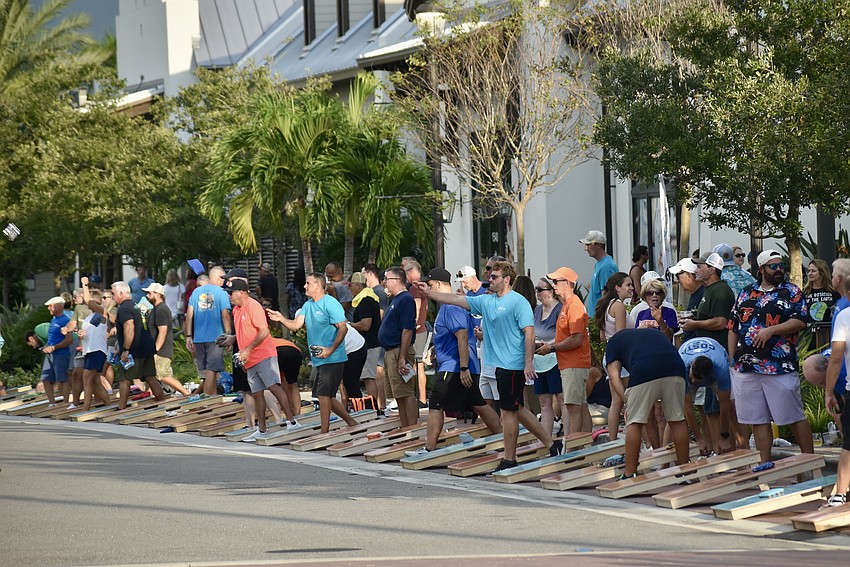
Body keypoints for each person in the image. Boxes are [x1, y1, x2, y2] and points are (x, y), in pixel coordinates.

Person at [418, 261, 560, 471]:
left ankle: (509, 459)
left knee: (508, 412)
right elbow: (457, 299)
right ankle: (552, 444)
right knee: (518, 409)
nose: (489, 280)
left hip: (512, 364)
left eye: (494, 277)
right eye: (490, 276)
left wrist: (528, 362)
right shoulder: (487, 301)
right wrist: (429, 293)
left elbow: (529, 332)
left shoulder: (518, 302)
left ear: (507, 279)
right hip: (497, 365)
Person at [728, 249, 814, 464]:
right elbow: (733, 326)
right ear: (761, 269)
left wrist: (771, 330)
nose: (779, 270)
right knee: (757, 419)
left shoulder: (791, 291)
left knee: (793, 416)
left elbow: (801, 320)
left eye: (781, 265)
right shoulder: (746, 293)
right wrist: (732, 359)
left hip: (779, 366)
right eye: (773, 266)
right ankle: (765, 465)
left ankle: (809, 463)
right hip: (746, 367)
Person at [405, 268, 502, 456]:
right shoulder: (448, 306)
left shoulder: (451, 307)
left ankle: (429, 449)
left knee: (435, 405)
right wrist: (435, 350)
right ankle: (503, 437)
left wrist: (464, 368)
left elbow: (462, 336)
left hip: (455, 366)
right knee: (478, 403)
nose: (428, 289)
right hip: (458, 364)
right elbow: (450, 336)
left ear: (438, 284)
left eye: (430, 285)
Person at [273, 273, 357, 433]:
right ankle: (351, 422)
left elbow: (343, 328)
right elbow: (296, 325)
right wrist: (281, 319)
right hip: (320, 358)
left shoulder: (330, 303)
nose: (305, 286)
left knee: (323, 395)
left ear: (318, 285)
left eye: (308, 283)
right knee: (327, 396)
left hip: (333, 358)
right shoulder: (308, 305)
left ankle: (324, 432)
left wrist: (330, 349)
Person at [222, 279, 303, 441]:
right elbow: (244, 332)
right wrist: (233, 340)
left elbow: (264, 331)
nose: (229, 296)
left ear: (242, 292)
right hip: (249, 359)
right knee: (257, 393)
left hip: (264, 354)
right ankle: (262, 430)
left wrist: (247, 350)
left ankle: (292, 422)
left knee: (274, 387)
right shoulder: (236, 310)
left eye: (231, 293)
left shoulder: (253, 306)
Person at [605, 328, 690, 478]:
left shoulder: (612, 343)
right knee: (677, 419)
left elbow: (614, 376)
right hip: (675, 365)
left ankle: (630, 473)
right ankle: (685, 471)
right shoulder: (651, 333)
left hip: (644, 367)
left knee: (635, 422)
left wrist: (627, 401)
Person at [539, 267, 592, 435]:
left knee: (573, 407)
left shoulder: (574, 305)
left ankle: (574, 446)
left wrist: (552, 347)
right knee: (580, 405)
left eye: (556, 281)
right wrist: (550, 346)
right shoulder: (568, 304)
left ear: (568, 283)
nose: (553, 285)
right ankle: (584, 443)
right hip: (572, 363)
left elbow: (576, 339)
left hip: (574, 363)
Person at [111, 281, 165, 409]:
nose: (112, 296)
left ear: (121, 293)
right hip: (147, 346)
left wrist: (126, 349)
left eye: (113, 293)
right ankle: (163, 403)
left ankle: (121, 409)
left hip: (134, 348)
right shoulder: (136, 305)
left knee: (124, 379)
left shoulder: (124, 308)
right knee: (150, 377)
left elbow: (129, 327)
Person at [377, 266, 419, 427]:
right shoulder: (395, 299)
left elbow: (407, 330)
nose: (384, 282)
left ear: (397, 280)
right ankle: (405, 426)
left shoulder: (406, 299)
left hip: (399, 350)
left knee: (406, 392)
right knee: (398, 393)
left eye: (387, 278)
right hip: (390, 351)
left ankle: (412, 428)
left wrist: (402, 357)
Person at [594, 272, 633, 440]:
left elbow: (603, 337)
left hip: (609, 354)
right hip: (621, 357)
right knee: (629, 400)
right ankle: (634, 438)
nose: (631, 288)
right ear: (617, 288)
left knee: (616, 402)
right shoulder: (619, 306)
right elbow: (621, 335)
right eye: (628, 285)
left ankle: (612, 440)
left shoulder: (606, 305)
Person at [679, 337, 733, 454]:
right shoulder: (681, 366)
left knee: (732, 406)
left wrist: (725, 436)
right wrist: (699, 439)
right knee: (678, 411)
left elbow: (725, 405)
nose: (694, 381)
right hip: (686, 365)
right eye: (693, 377)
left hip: (716, 352)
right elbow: (687, 407)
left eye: (698, 379)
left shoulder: (721, 368)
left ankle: (737, 446)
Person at [185, 267, 232, 396]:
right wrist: (228, 334)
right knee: (212, 370)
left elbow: (189, 315)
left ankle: (211, 397)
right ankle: (209, 399)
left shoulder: (196, 292)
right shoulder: (221, 292)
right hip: (215, 336)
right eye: (223, 279)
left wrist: (189, 336)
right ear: (218, 279)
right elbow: (225, 315)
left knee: (206, 372)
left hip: (199, 337)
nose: (224, 282)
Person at [825, 279, 850, 508]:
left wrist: (829, 391)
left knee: (849, 446)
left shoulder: (844, 316)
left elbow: (835, 358)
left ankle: (840, 494)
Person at [143, 282, 191, 397]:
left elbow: (163, 331)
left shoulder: (161, 310)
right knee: (151, 376)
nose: (147, 296)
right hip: (157, 349)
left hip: (161, 350)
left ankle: (186, 393)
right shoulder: (155, 309)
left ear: (157, 294)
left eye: (149, 293)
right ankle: (151, 395)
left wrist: (155, 350)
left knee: (163, 376)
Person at [532, 278, 563, 439]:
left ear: (551, 291)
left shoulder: (560, 309)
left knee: (561, 398)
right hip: (538, 360)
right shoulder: (537, 310)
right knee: (544, 402)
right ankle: (546, 440)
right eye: (536, 289)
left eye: (540, 289)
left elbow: (564, 335)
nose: (537, 292)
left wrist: (549, 345)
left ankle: (568, 438)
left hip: (555, 359)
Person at [347, 272, 382, 410]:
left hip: (370, 343)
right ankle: (373, 407)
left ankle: (372, 409)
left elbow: (365, 325)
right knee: (368, 376)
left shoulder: (365, 301)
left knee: (368, 377)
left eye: (350, 285)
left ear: (357, 285)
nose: (349, 289)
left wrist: (348, 325)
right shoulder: (367, 298)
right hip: (370, 343)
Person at [76, 280, 112, 411]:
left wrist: (84, 285)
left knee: (86, 378)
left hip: (97, 350)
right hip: (89, 350)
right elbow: (92, 331)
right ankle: (109, 405)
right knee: (96, 381)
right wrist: (81, 334)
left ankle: (85, 408)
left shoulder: (102, 312)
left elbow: (87, 300)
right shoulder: (91, 317)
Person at [403, 259, 430, 407]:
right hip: (420, 329)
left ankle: (421, 398)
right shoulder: (421, 286)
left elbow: (417, 306)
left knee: (417, 365)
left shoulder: (415, 288)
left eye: (406, 271)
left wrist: (412, 324)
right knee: (416, 365)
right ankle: (418, 398)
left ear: (411, 271)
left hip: (418, 331)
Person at [40, 297, 73, 407]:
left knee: (62, 379)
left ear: (58, 306)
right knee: (45, 379)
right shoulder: (53, 320)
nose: (49, 308)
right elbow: (52, 338)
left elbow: (69, 340)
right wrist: (46, 346)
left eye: (51, 306)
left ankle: (65, 403)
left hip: (61, 354)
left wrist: (54, 347)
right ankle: (52, 403)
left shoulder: (65, 321)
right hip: (50, 354)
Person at [580, 230, 618, 318]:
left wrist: (601, 320)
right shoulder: (600, 264)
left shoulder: (606, 267)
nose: (585, 249)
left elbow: (607, 296)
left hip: (599, 319)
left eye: (588, 245)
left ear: (598, 245)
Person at [804, 258, 840, 349]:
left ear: (822, 272)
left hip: (829, 334)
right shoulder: (805, 293)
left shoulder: (833, 292)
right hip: (809, 336)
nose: (810, 273)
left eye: (813, 271)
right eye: (809, 271)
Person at [669, 258, 704, 345]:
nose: (677, 280)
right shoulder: (695, 293)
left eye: (678, 276)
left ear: (689, 275)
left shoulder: (704, 293)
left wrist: (693, 322)